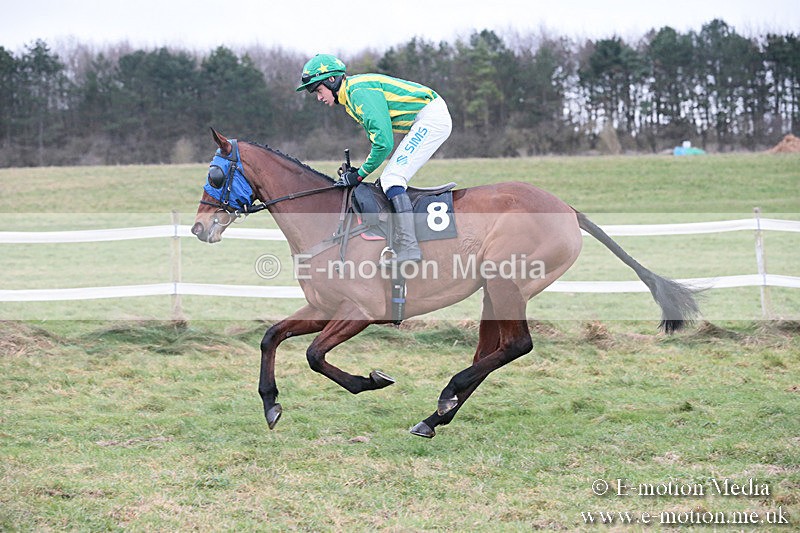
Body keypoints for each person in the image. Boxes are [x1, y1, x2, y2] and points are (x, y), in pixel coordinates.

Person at [296, 54, 452, 262]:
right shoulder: (351, 96)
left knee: (392, 179)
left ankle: (409, 247)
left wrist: (360, 175)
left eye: (319, 90)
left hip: (431, 119)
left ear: (331, 80)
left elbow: (384, 143)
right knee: (386, 180)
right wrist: (359, 172)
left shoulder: (358, 93)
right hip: (425, 118)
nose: (319, 97)